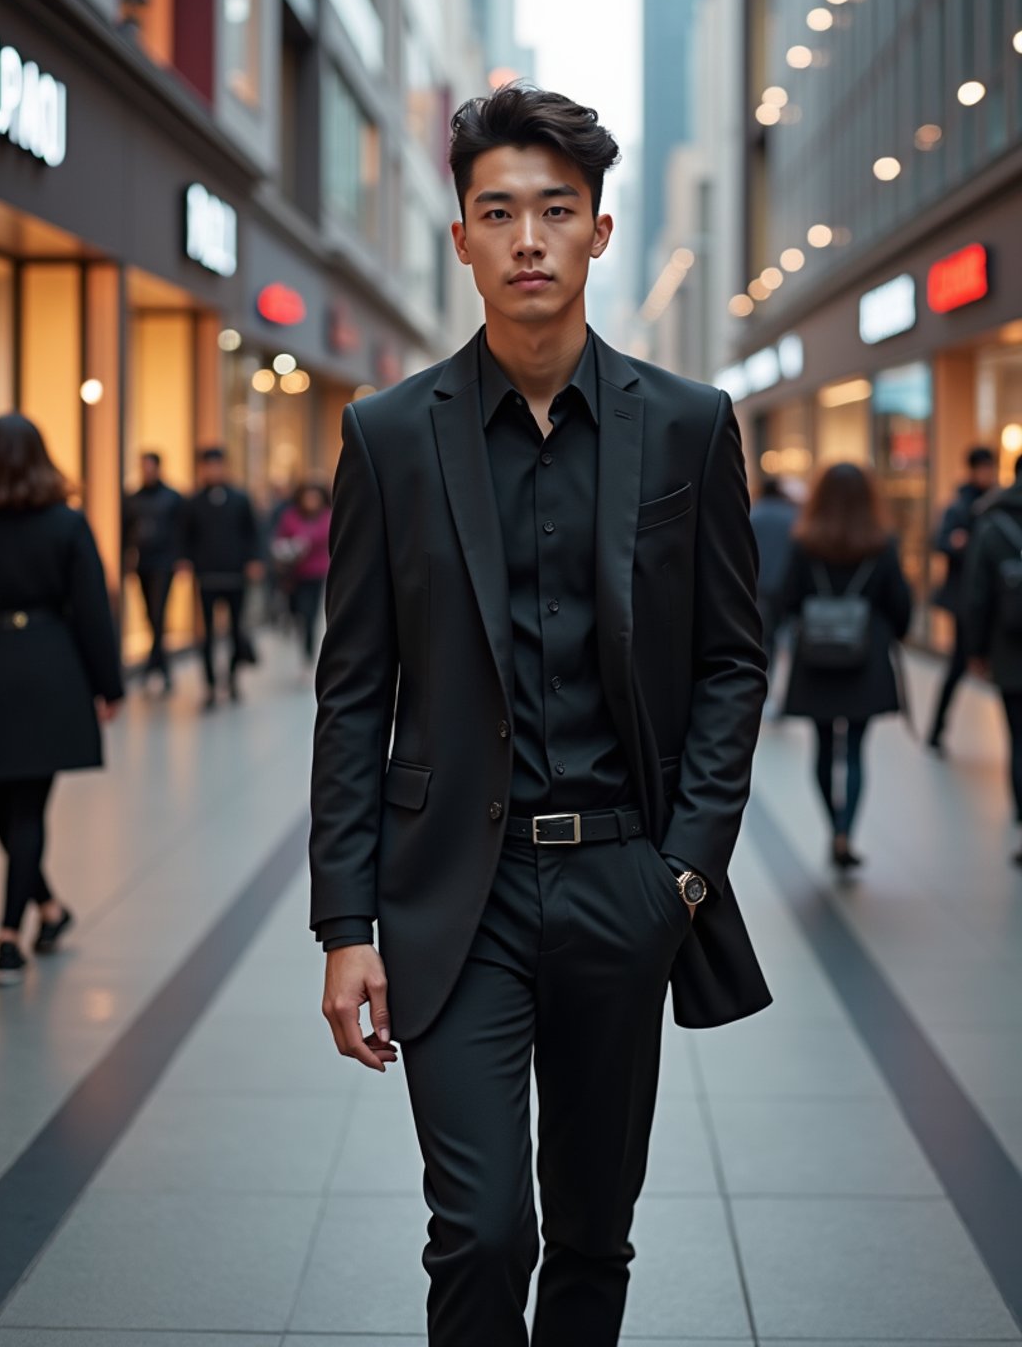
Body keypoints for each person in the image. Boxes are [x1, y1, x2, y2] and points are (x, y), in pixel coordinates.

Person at [310, 84, 769, 1347]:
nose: (527, 239)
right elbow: (353, 690)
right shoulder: (390, 435)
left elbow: (734, 660)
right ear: (457, 235)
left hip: (626, 880)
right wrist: (344, 923)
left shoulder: (685, 426)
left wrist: (684, 871)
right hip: (452, 891)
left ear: (598, 234)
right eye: (497, 211)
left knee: (589, 1232)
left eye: (554, 212)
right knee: (481, 1230)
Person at [0, 413, 123, 986]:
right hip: (48, 667)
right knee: (25, 808)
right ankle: (31, 919)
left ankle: (18, 926)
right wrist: (108, 685)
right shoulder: (66, 524)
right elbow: (92, 609)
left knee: (10, 808)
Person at [783, 463, 912, 870]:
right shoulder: (882, 543)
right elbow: (901, 605)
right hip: (865, 657)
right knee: (856, 749)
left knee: (823, 747)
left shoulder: (804, 543)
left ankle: (832, 826)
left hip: (816, 658)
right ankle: (845, 831)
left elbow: (785, 598)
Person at [963, 452, 1022, 866]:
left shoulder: (993, 523)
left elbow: (977, 596)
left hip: (1012, 649)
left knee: (1019, 740)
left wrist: (977, 651)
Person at [927, 446, 998, 752]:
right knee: (959, 663)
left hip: (994, 596)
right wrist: (958, 544)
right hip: (965, 597)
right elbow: (941, 541)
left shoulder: (998, 502)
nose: (989, 474)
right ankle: (937, 728)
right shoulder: (959, 505)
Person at [179, 448, 262, 710]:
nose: (213, 471)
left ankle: (233, 678)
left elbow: (253, 532)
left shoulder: (240, 498)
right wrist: (184, 560)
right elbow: (184, 535)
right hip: (206, 575)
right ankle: (210, 685)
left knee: (237, 629)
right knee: (207, 635)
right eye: (208, 466)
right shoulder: (193, 502)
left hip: (236, 574)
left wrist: (254, 561)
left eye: (217, 465)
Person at [122, 451, 183, 692]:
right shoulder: (133, 498)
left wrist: (180, 558)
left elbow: (180, 530)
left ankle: (154, 664)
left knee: (158, 612)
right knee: (149, 613)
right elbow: (126, 530)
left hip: (164, 562)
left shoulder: (172, 498)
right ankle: (160, 663)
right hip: (143, 562)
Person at [271, 480, 330, 666]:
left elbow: (324, 535)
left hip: (316, 572)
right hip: (294, 573)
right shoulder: (290, 516)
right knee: (296, 611)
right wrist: (287, 549)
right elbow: (279, 537)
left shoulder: (327, 516)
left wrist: (304, 541)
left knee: (310, 614)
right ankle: (298, 633)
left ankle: (308, 654)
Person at [750, 475, 798, 667]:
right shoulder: (791, 516)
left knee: (764, 632)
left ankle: (766, 672)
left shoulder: (754, 514)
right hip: (785, 580)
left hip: (760, 581)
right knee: (785, 629)